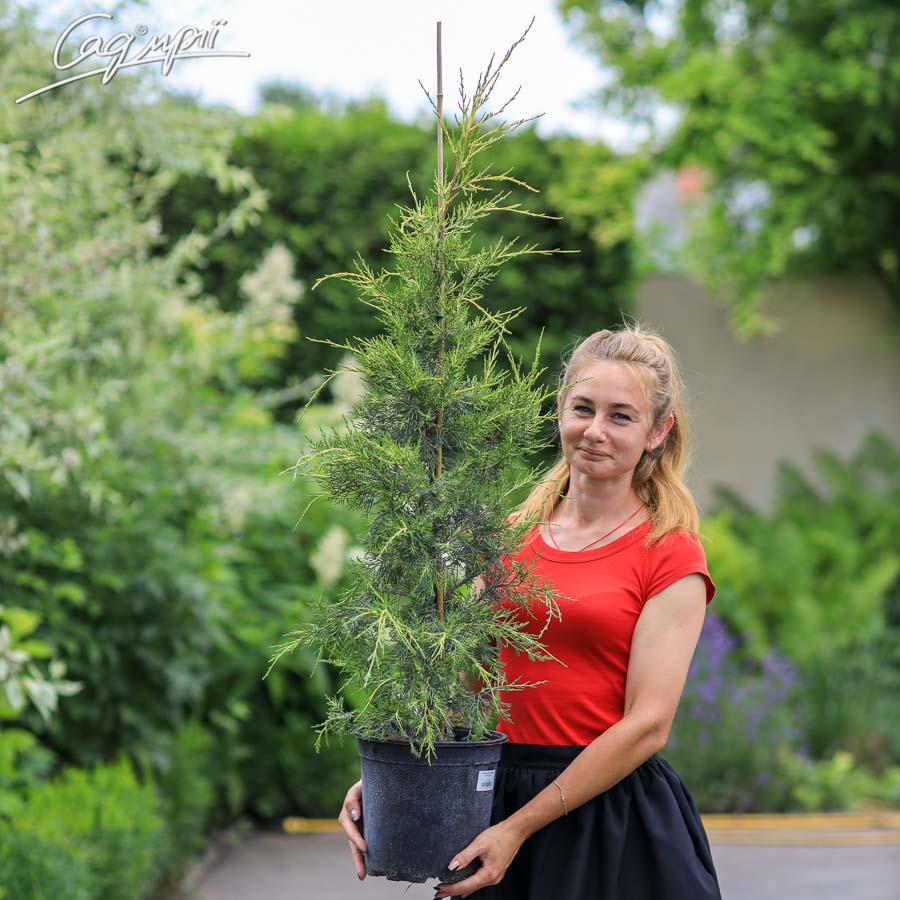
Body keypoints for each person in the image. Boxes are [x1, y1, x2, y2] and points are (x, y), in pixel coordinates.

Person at [338, 322, 724, 899]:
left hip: (608, 821)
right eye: (583, 408)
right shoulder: (508, 538)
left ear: (657, 432)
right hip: (495, 803)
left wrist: (519, 827)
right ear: (560, 408)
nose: (595, 431)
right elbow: (470, 689)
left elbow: (647, 726)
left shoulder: (670, 553)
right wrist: (395, 774)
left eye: (621, 416)